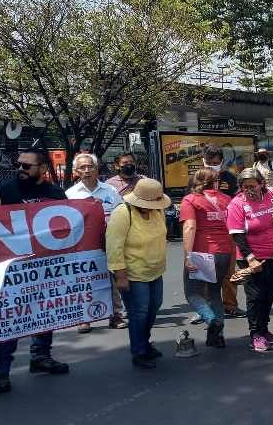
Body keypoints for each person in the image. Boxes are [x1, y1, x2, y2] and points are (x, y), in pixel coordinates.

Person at [0, 149, 70, 394]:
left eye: (27, 166)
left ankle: (41, 357)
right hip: (12, 269)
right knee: (12, 318)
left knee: (45, 312)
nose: (20, 169)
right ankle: (1, 372)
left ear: (43, 169)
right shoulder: (6, 190)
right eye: (19, 165)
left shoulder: (56, 194)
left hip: (46, 267)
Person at [107, 178, 171, 369]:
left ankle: (144, 342)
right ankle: (139, 351)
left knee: (153, 307)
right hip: (132, 273)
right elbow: (114, 246)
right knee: (139, 312)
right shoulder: (123, 213)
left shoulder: (158, 211)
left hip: (154, 270)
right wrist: (120, 276)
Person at [226, 168, 273, 352]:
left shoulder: (272, 195)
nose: (249, 190)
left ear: (261, 184)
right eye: (244, 187)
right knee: (255, 296)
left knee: (269, 294)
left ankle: (264, 329)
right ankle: (255, 334)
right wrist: (251, 258)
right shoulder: (237, 204)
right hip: (252, 258)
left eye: (252, 186)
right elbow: (237, 235)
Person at [66, 153, 127, 333]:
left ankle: (116, 316)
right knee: (85, 281)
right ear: (76, 171)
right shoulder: (70, 194)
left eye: (90, 166)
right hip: (83, 247)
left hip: (109, 243)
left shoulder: (110, 191)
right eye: (82, 167)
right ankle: (85, 318)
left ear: (97, 168)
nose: (87, 170)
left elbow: (121, 214)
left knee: (112, 280)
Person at [179, 168, 234, 348]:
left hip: (202, 252)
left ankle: (212, 321)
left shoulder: (190, 200)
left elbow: (190, 228)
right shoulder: (227, 200)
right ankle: (218, 337)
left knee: (192, 293)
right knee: (214, 293)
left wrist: (188, 256)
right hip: (224, 251)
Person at [202, 144, 245, 319]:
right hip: (205, 232)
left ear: (221, 162)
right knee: (205, 272)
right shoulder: (198, 179)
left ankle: (230, 305)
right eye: (208, 162)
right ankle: (205, 308)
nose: (212, 165)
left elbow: (238, 200)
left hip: (228, 230)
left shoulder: (229, 178)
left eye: (215, 162)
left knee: (229, 271)